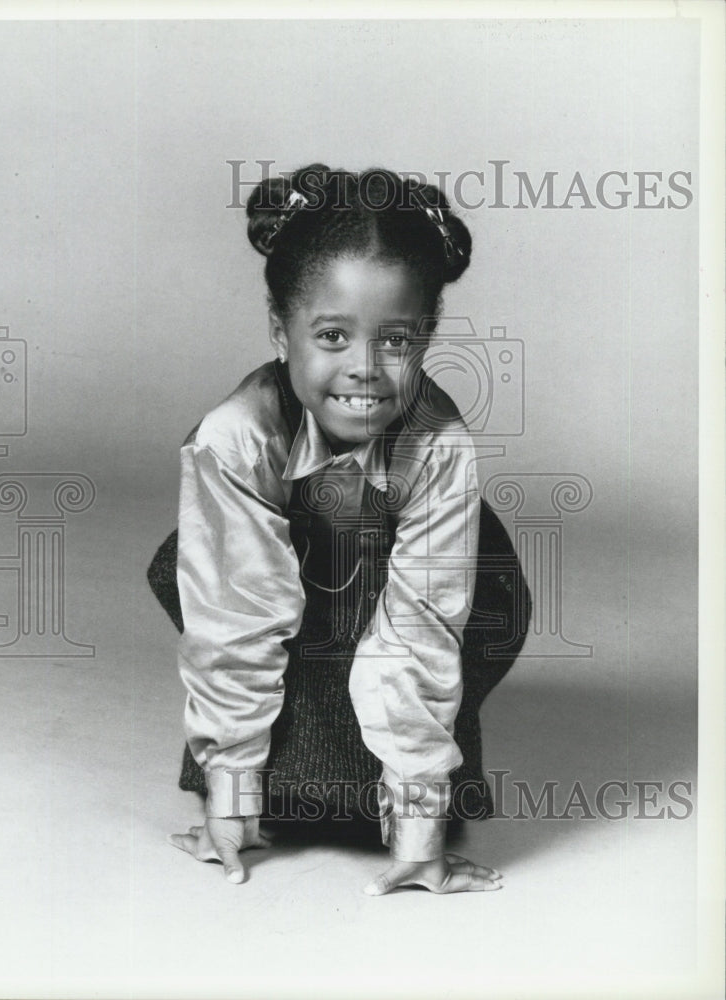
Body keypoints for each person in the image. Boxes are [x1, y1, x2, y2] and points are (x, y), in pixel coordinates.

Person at [147, 164, 531, 896]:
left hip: (410, 604)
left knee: (481, 591)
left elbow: (421, 623)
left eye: (395, 340)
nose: (363, 370)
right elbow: (233, 614)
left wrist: (420, 823)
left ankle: (393, 790)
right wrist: (229, 790)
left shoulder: (437, 443)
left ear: (427, 335)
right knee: (201, 574)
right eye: (330, 335)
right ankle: (271, 775)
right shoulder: (234, 436)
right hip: (288, 602)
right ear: (278, 329)